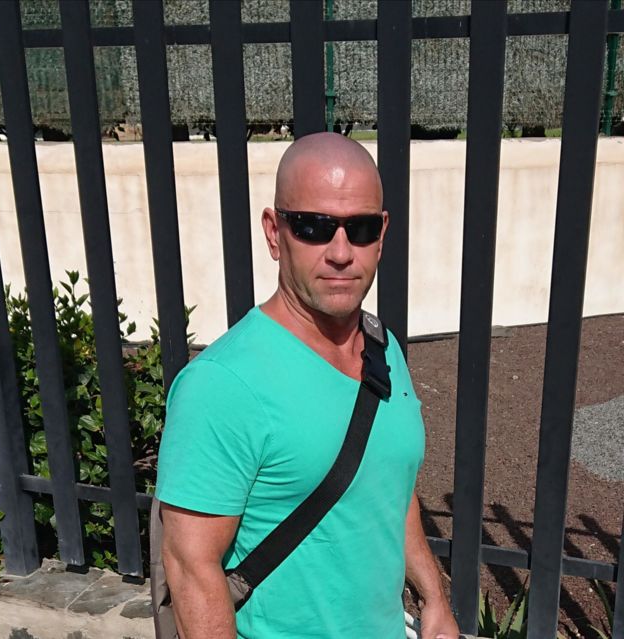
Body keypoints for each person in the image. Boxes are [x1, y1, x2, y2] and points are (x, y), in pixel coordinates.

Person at [155, 132, 460, 639]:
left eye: (360, 228)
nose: (341, 252)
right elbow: (191, 569)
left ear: (382, 234)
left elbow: (387, 486)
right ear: (274, 233)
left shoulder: (382, 350)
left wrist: (434, 598)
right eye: (313, 227)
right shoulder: (222, 384)